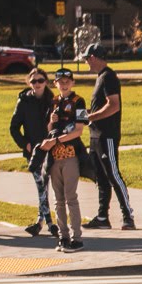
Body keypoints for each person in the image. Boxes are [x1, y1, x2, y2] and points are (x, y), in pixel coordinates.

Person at [81, 44, 135, 230]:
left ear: (94, 57)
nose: (86, 62)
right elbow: (100, 106)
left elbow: (113, 105)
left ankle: (128, 216)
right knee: (101, 177)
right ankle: (102, 217)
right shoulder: (101, 77)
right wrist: (84, 114)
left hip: (107, 135)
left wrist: (91, 117)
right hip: (95, 135)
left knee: (113, 174)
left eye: (87, 59)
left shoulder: (109, 77)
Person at [41, 68, 90, 252]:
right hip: (54, 157)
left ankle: (77, 238)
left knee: (71, 197)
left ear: (73, 82)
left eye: (67, 81)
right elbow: (48, 129)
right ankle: (63, 237)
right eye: (60, 82)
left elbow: (78, 131)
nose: (64, 84)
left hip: (70, 155)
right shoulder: (53, 101)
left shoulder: (79, 101)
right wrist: (51, 121)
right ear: (55, 84)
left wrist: (56, 141)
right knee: (58, 199)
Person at [8, 68, 56, 238]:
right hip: (34, 152)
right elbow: (13, 127)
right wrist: (25, 144)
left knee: (45, 186)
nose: (37, 84)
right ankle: (49, 223)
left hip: (51, 149)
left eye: (40, 80)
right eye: (34, 81)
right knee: (41, 185)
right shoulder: (24, 101)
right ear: (29, 83)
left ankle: (40, 222)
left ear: (46, 82)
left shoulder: (53, 100)